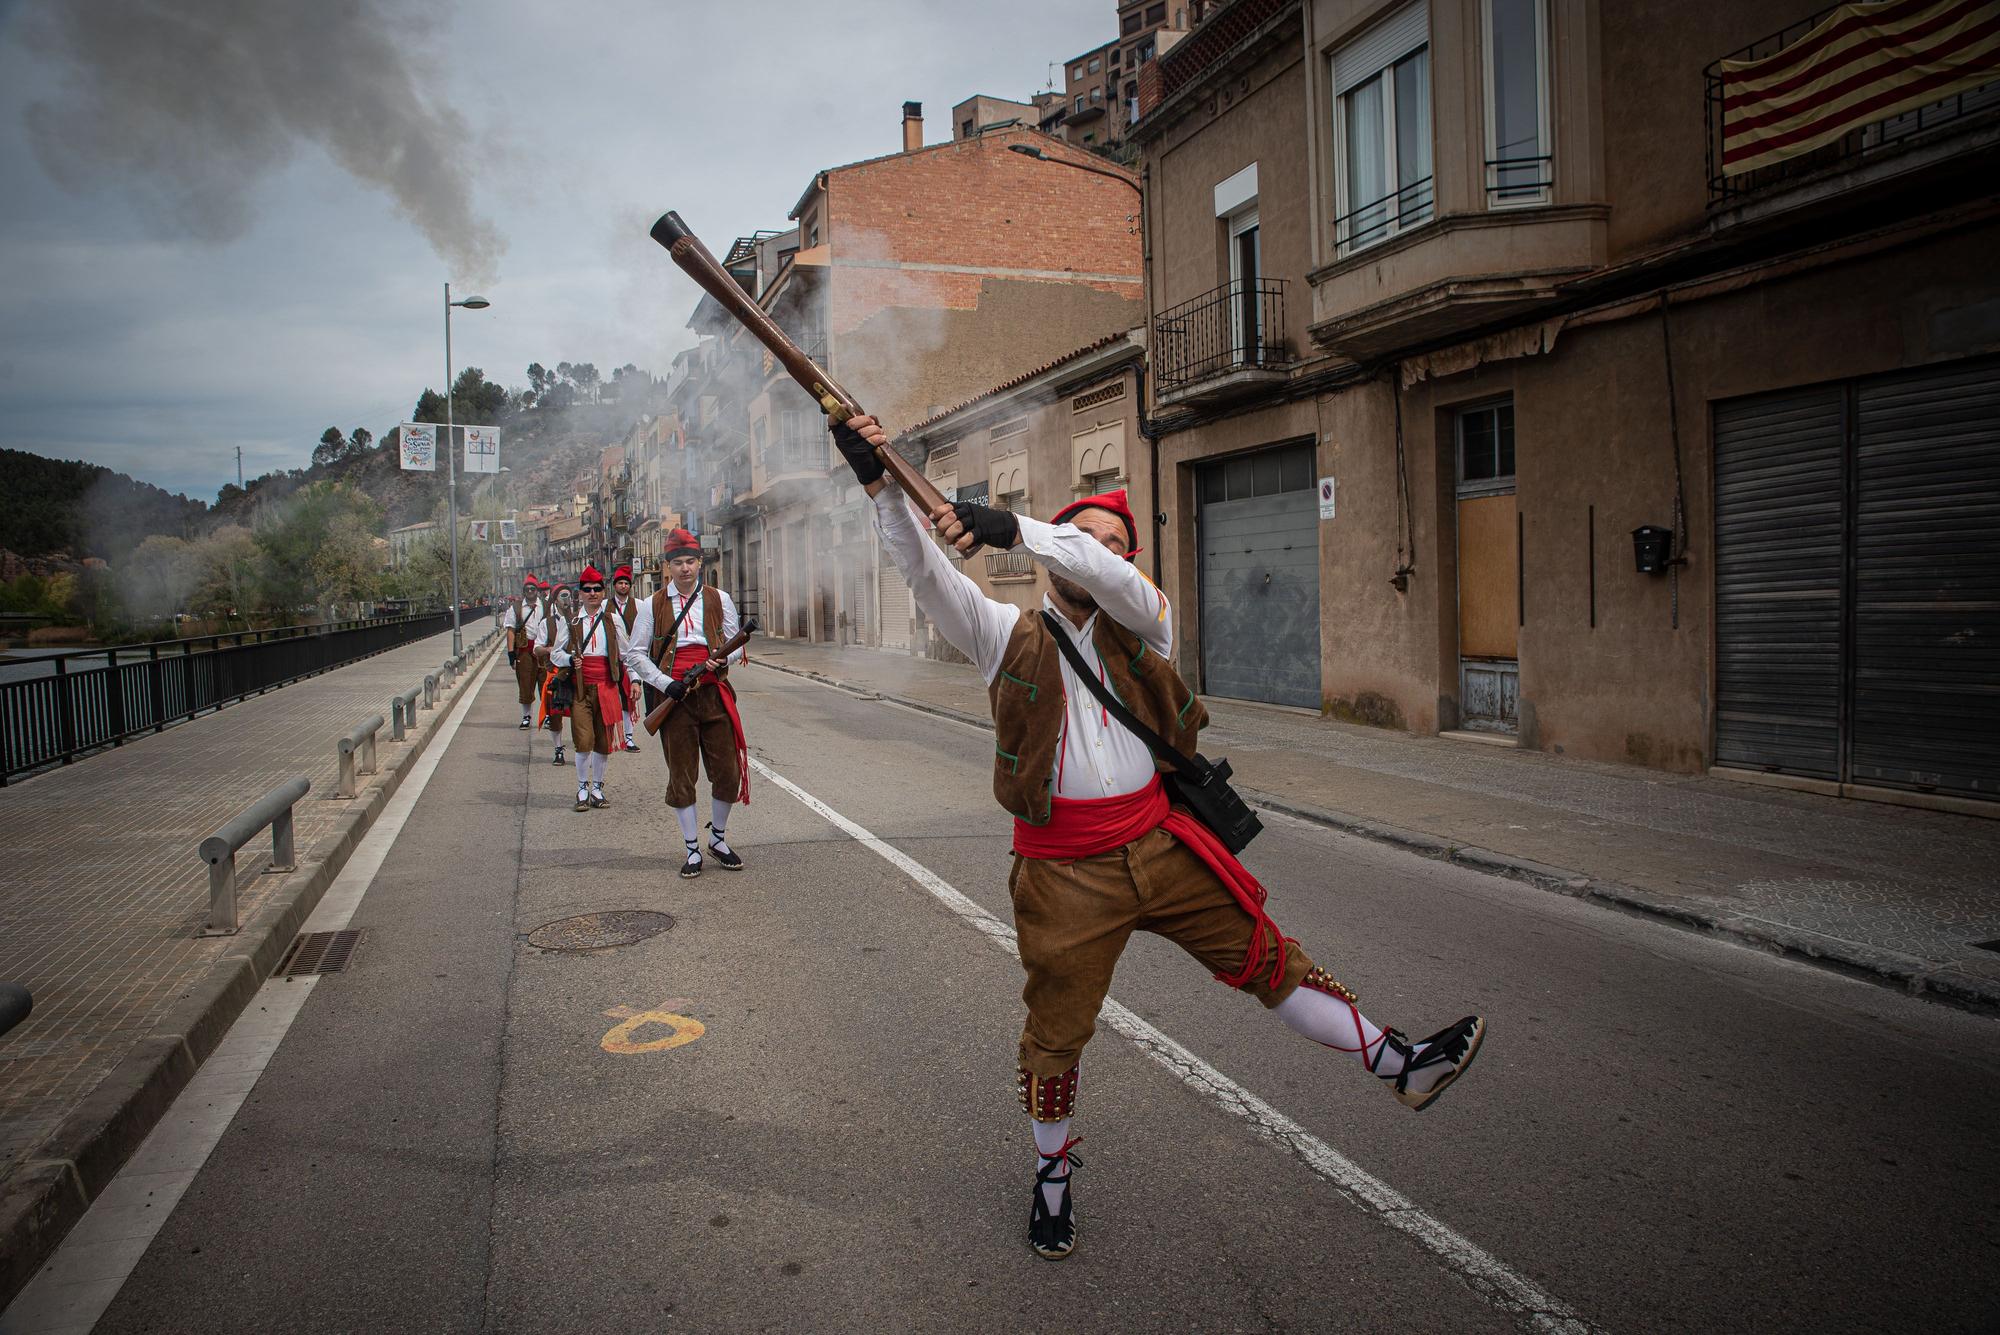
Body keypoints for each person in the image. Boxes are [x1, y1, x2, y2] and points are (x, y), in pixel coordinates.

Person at [833, 414, 1487, 1262]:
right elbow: (922, 573)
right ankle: (1053, 1180)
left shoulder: (1147, 625)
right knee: (1055, 1037)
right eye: (1086, 538)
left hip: (1161, 842)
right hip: (1062, 872)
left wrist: (1022, 528)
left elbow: (1112, 580)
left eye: (1115, 545)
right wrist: (881, 487)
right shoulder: (1003, 634)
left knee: (1268, 958)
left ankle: (1401, 1063)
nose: (1102, 554)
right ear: (1054, 550)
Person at [618, 529, 749, 878]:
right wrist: (666, 684)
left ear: (699, 563)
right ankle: (692, 848)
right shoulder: (651, 605)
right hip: (674, 699)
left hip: (714, 694)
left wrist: (724, 661)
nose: (685, 569)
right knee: (682, 776)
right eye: (678, 563)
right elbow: (635, 654)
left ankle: (717, 839)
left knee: (728, 773)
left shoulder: (719, 598)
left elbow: (735, 645)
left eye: (690, 561)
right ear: (668, 567)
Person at [549, 566, 626, 810]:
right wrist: (570, 660)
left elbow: (627, 653)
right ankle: (582, 788)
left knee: (603, 742)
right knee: (583, 740)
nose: (592, 593)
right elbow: (555, 654)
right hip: (581, 689)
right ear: (580, 593)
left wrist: (634, 681)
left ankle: (597, 788)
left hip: (607, 687)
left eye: (597, 589)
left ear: (603, 592)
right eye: (587, 590)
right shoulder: (571, 622)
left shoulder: (613, 620)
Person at [535, 582, 573, 766]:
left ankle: (585, 749)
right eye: (563, 596)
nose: (567, 599)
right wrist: (550, 649)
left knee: (581, 712)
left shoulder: (578, 619)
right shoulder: (546, 623)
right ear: (555, 600)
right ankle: (558, 750)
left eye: (569, 595)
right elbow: (536, 649)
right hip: (555, 672)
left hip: (575, 672)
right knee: (555, 713)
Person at [501, 574, 543, 728]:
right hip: (524, 651)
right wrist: (511, 654)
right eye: (528, 589)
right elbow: (510, 630)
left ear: (537, 590)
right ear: (524, 591)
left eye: (533, 588)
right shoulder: (516, 608)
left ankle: (548, 715)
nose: (530, 591)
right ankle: (526, 716)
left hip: (543, 651)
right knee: (525, 684)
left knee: (546, 685)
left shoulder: (546, 605)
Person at [610, 566, 644, 752]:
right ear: (614, 585)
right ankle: (610, 736)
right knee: (608, 699)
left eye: (626, 583)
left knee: (628, 699)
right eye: (620, 583)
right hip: (611, 659)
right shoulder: (605, 606)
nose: (623, 586)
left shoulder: (639, 604)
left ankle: (628, 738)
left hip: (631, 657)